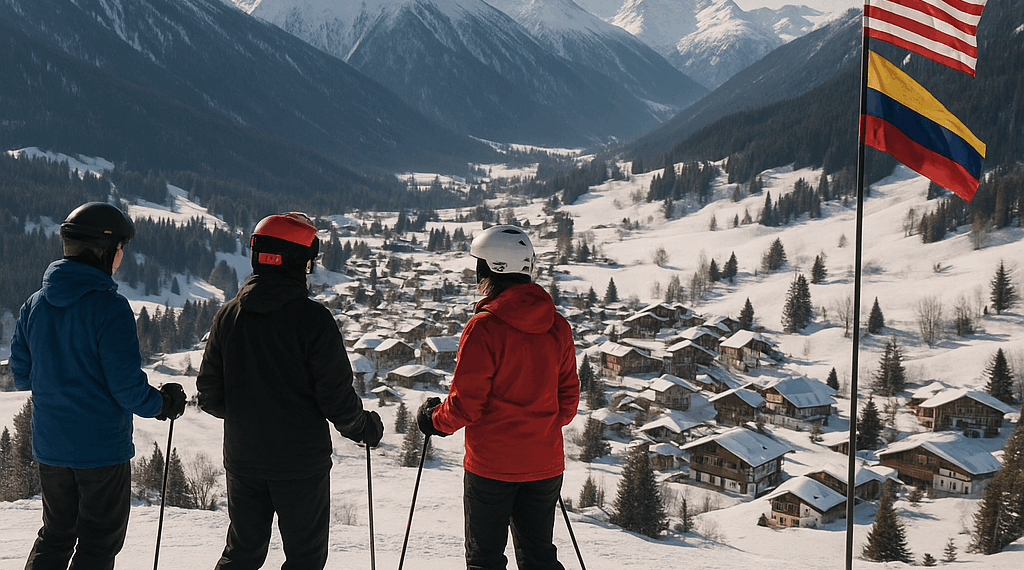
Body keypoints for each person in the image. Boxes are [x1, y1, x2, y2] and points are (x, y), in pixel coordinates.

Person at [197, 212, 384, 570]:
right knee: (305, 558)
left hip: (243, 458)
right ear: (303, 263)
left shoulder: (229, 315)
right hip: (300, 464)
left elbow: (209, 394)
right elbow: (335, 398)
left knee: (242, 553)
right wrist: (365, 428)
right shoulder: (313, 320)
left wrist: (248, 415)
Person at [9, 201, 186, 570]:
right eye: (121, 249)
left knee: (55, 535)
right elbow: (126, 388)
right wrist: (163, 404)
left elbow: (22, 374)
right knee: (97, 544)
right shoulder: (110, 308)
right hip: (101, 451)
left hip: (50, 448)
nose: (122, 257)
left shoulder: (34, 305)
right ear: (107, 250)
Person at [417, 224, 580, 570]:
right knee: (539, 557)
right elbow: (567, 404)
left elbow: (466, 406)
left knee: (485, 560)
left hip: (492, 468)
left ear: (489, 270)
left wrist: (433, 420)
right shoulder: (557, 325)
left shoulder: (484, 328)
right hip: (544, 465)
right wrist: (538, 427)